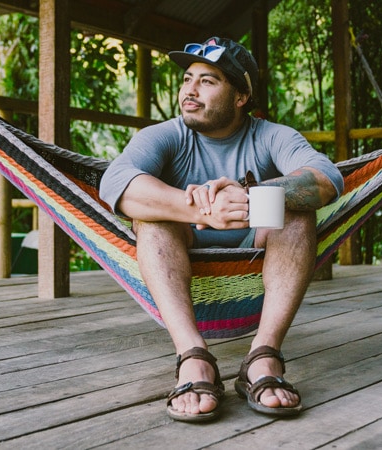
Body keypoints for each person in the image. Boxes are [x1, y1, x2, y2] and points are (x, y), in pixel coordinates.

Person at [99, 37, 344, 422]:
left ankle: (262, 357)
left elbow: (326, 180)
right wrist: (197, 208)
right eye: (187, 79)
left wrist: (251, 199)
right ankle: (193, 358)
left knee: (295, 211)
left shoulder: (271, 136)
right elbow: (116, 184)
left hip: (257, 247)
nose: (190, 91)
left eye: (208, 81)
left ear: (241, 95)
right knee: (150, 216)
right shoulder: (165, 135)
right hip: (184, 243)